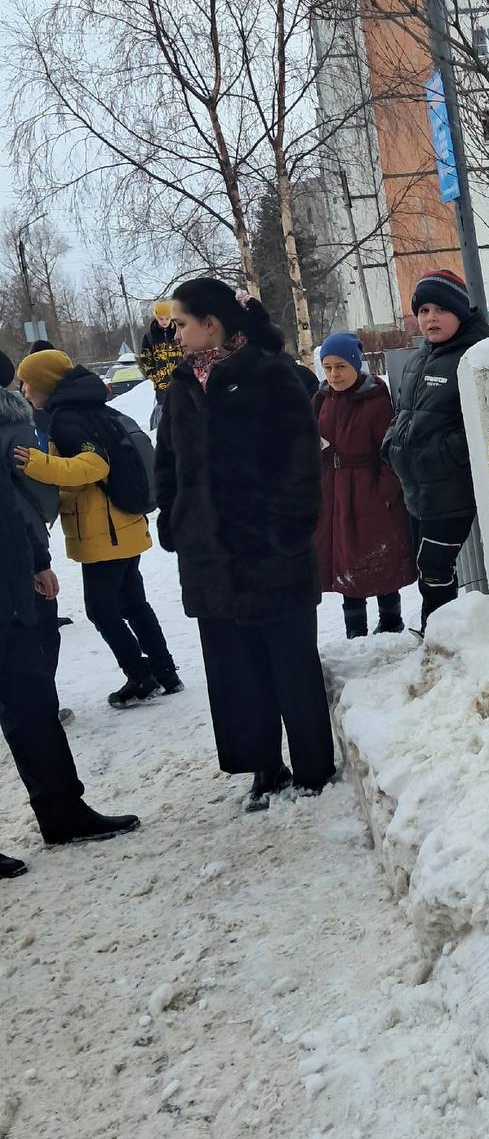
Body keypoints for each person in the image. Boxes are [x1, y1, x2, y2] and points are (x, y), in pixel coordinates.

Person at [156, 278, 335, 812]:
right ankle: (264, 766)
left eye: (182, 324)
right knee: (235, 669)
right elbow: (168, 464)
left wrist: (284, 532)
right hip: (209, 555)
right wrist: (175, 517)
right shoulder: (182, 385)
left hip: (270, 553)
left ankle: (312, 767)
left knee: (290, 663)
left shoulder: (271, 377)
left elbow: (302, 468)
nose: (177, 334)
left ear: (212, 323)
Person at [0, 434, 140, 866]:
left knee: (35, 709)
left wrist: (38, 558)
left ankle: (65, 815)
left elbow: (10, 501)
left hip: (11, 599)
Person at [14, 350, 182, 709]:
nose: (23, 390)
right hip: (124, 522)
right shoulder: (91, 406)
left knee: (101, 609)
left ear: (43, 382)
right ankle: (166, 673)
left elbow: (93, 466)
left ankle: (141, 676)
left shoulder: (66, 418)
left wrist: (39, 464)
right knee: (134, 604)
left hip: (104, 531)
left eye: (26, 382)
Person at [382, 269, 489, 631]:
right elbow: (403, 412)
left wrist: (442, 455)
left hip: (451, 488)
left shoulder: (475, 356)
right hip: (418, 488)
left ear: (459, 312)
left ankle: (438, 635)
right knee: (426, 567)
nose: (430, 318)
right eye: (424, 310)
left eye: (440, 309)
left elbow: (483, 422)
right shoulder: (420, 357)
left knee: (434, 566)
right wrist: (391, 445)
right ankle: (443, 631)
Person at [313, 332, 415, 637]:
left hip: (369, 493)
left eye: (341, 366)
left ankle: (390, 623)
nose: (334, 374)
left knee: (379, 563)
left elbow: (390, 451)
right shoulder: (321, 400)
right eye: (328, 367)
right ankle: (355, 633)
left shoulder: (375, 401)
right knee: (344, 563)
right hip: (335, 494)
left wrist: (383, 493)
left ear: (356, 365)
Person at [0, 351, 68, 721]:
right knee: (40, 623)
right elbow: (37, 483)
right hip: (21, 532)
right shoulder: (18, 424)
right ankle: (43, 708)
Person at [138, 301, 183, 432]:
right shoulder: (150, 337)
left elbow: (187, 352)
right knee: (164, 414)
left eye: (167, 318)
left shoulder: (178, 333)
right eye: (161, 318)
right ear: (156, 317)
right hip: (162, 385)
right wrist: (153, 375)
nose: (164, 322)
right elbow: (146, 359)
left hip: (180, 381)